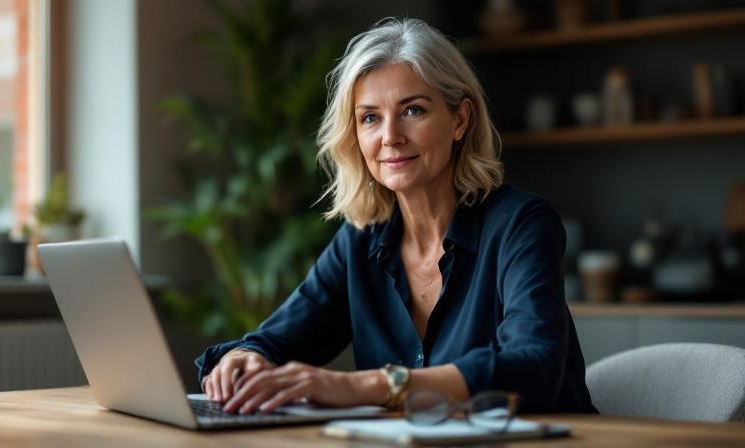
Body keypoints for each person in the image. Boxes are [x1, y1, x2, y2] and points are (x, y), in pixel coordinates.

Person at [195, 18, 597, 415]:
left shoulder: (521, 225)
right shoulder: (360, 240)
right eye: (370, 117)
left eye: (413, 110)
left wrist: (370, 385)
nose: (390, 136)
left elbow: (533, 368)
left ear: (460, 120)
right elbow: (276, 342)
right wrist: (246, 357)